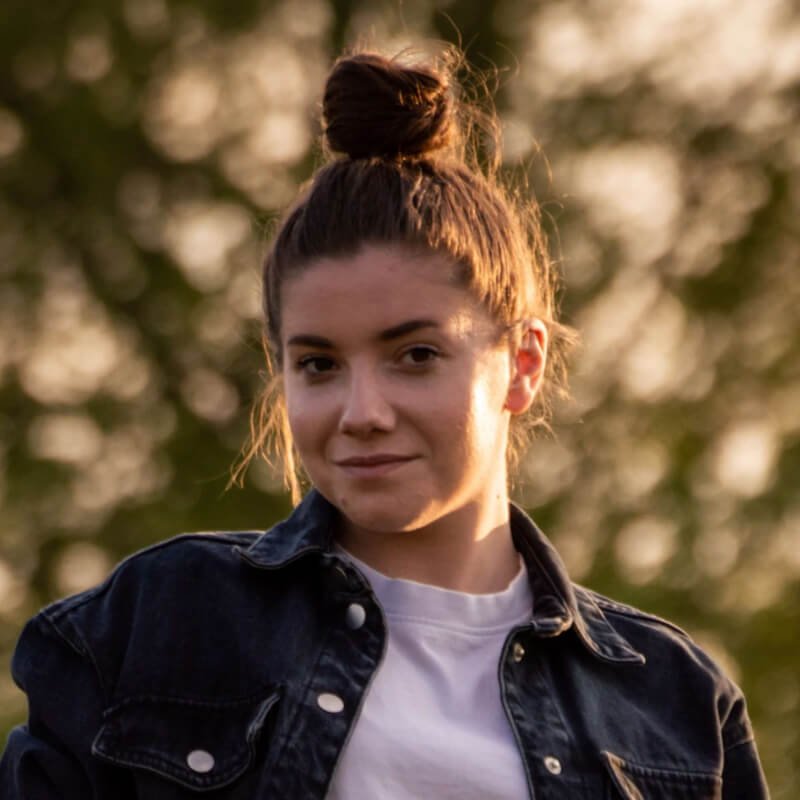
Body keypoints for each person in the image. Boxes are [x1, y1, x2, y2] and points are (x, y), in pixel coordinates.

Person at [0, 49, 769, 799]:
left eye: (416, 354)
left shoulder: (677, 711)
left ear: (523, 363)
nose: (362, 414)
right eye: (319, 365)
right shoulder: (157, 626)